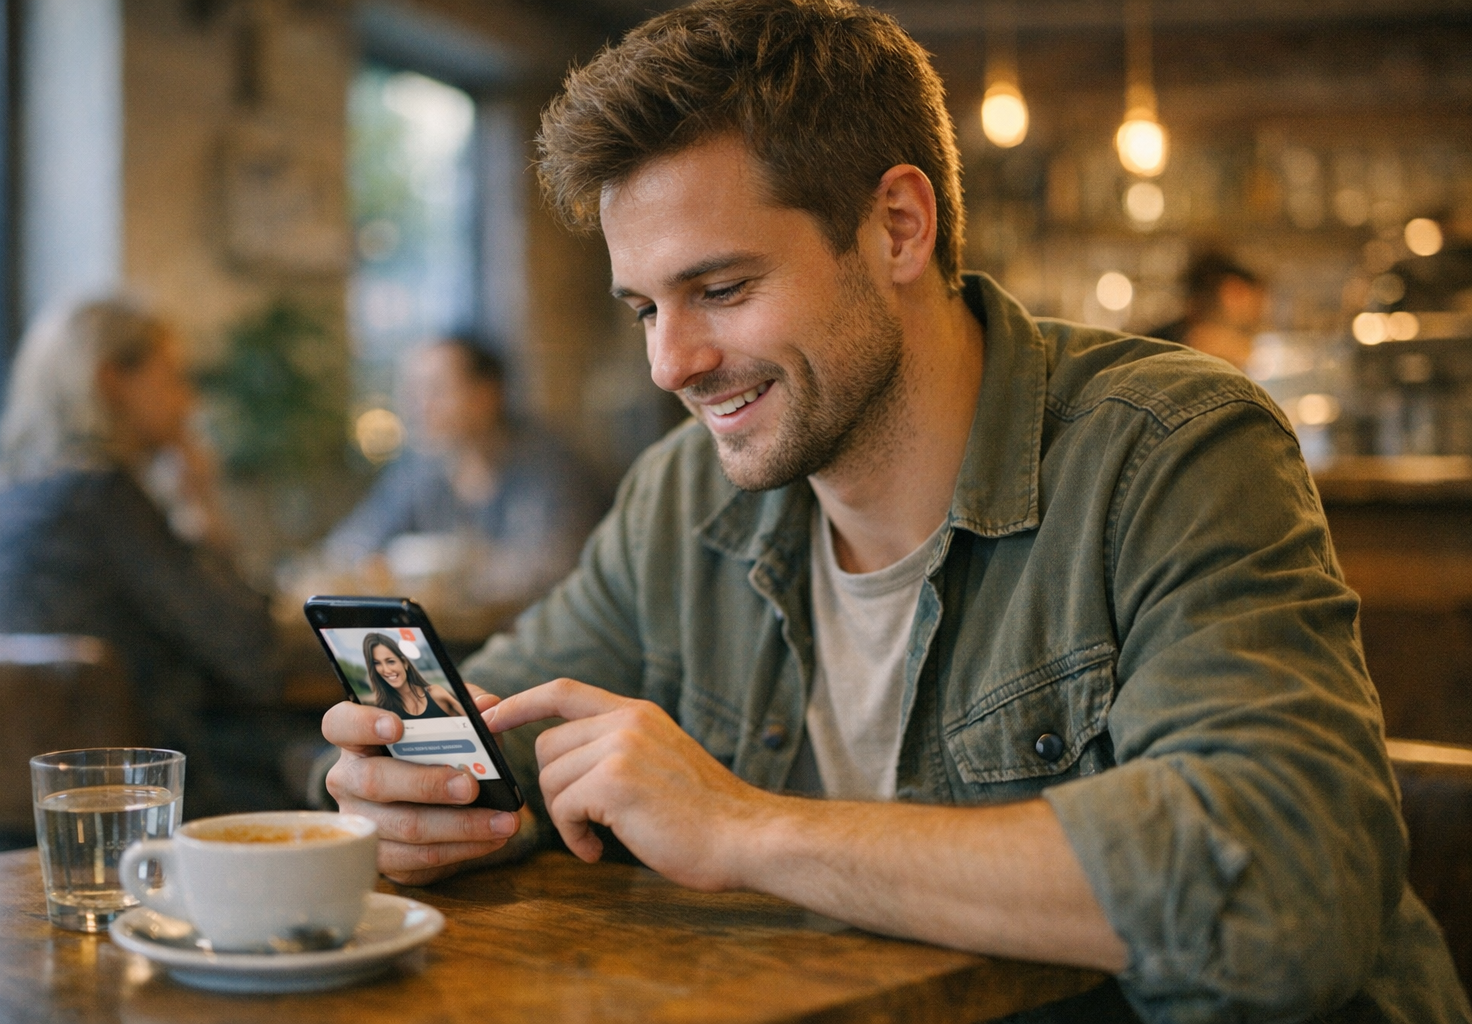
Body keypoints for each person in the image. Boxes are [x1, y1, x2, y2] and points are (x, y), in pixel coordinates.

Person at [320, 2, 1469, 1020]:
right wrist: (419, 798)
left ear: (899, 228)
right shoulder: (684, 498)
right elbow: (498, 744)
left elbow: (1281, 883)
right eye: (643, 309)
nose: (672, 362)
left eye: (721, 289)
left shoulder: (1170, 445)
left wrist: (742, 828)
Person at [0, 295, 287, 813]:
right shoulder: (103, 500)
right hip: (126, 819)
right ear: (111, 380)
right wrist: (205, 508)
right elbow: (254, 653)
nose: (188, 403)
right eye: (172, 377)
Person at [324, 336, 606, 608]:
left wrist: (442, 567)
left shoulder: (550, 466)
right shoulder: (419, 469)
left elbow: (552, 570)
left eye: (435, 389)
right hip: (450, 637)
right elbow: (350, 545)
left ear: (486, 394)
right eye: (413, 391)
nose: (420, 406)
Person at [1146, 249, 1267, 370]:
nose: (1260, 311)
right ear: (1233, 293)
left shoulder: (1155, 343)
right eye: (1257, 301)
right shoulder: (1195, 350)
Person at [362, 632, 465, 719]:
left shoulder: (436, 694)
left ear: (404, 663)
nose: (386, 670)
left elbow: (475, 725)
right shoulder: (380, 708)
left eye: (391, 661)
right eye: (377, 663)